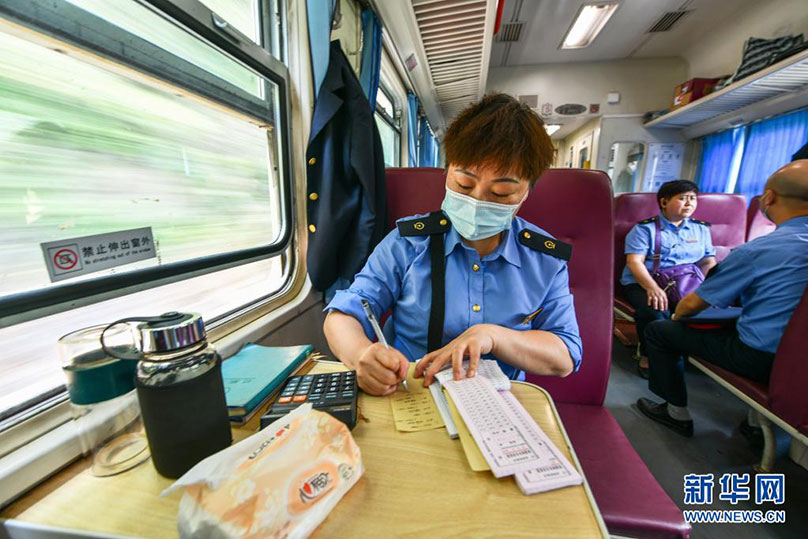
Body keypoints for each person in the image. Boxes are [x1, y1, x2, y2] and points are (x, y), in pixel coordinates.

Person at [322, 93, 582, 396]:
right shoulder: (409, 243)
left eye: (500, 193)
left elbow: (565, 355)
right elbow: (344, 313)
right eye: (464, 184)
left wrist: (493, 337)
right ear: (447, 173)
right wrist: (360, 355)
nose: (477, 202)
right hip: (412, 393)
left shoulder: (544, 260)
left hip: (497, 402)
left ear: (526, 193)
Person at [637, 160, 808, 437]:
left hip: (763, 357)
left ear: (769, 197)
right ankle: (754, 425)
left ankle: (674, 411)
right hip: (799, 357)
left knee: (660, 330)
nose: (689, 204)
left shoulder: (757, 250)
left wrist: (679, 316)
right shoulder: (646, 229)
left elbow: (693, 304)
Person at [620, 180, 717, 378]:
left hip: (686, 283)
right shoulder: (645, 229)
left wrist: (707, 289)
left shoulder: (701, 229)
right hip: (646, 282)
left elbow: (708, 262)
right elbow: (635, 263)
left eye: (692, 199)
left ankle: (685, 353)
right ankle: (648, 356)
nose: (689, 204)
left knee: (703, 309)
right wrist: (652, 288)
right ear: (664, 202)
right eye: (682, 199)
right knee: (656, 311)